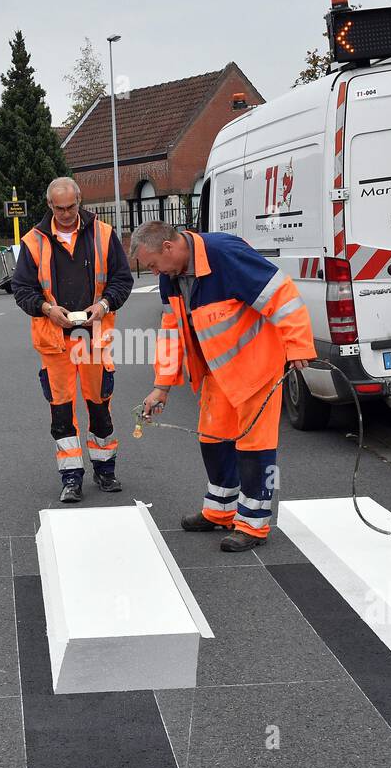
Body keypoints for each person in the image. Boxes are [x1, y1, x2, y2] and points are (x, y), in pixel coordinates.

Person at [134, 222, 316, 552]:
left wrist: (299, 344)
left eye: (151, 264)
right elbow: (172, 330)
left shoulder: (224, 253)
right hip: (218, 371)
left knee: (255, 448)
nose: (153, 271)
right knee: (213, 439)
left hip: (256, 367)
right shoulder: (170, 277)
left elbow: (282, 295)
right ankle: (220, 510)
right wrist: (161, 386)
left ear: (168, 248)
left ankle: (253, 524)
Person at [11, 177, 133, 503]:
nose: (66, 214)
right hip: (55, 341)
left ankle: (106, 471)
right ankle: (71, 478)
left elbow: (123, 279)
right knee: (62, 413)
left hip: (93, 336)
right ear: (49, 205)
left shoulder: (104, 235)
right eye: (59, 208)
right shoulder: (34, 241)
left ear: (79, 201)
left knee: (99, 406)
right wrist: (47, 308)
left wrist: (104, 305)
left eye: (71, 207)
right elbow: (22, 289)